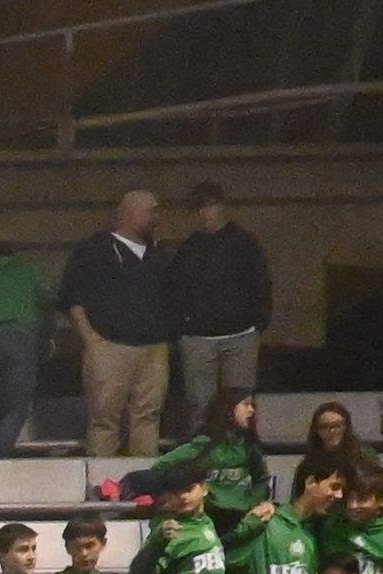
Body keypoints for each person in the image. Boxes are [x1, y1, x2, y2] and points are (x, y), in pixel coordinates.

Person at [57, 187, 175, 462]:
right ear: (129, 213)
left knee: (148, 417)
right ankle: (103, 481)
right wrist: (92, 341)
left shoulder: (159, 255)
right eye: (151, 211)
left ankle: (143, 480)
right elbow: (72, 298)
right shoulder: (94, 250)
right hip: (109, 346)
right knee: (105, 419)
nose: (157, 217)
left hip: (153, 348)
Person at [163, 185, 270, 415]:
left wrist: (257, 323)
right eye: (199, 209)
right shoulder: (189, 248)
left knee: (240, 408)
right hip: (198, 338)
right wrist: (182, 328)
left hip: (241, 335)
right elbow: (176, 289)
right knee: (200, 407)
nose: (204, 214)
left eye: (208, 206)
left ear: (221, 206)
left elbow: (261, 283)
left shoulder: (245, 243)